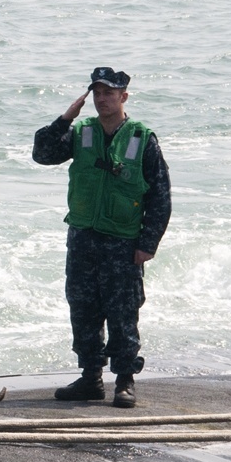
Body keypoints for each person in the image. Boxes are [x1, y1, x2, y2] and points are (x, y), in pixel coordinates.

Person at [31, 67, 171, 409]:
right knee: (83, 308)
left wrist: (147, 244)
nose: (102, 99)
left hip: (122, 241)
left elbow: (161, 195)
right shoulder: (81, 132)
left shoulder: (141, 138)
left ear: (123, 96)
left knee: (123, 312)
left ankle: (124, 380)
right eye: (97, 93)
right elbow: (42, 154)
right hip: (83, 237)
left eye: (109, 93)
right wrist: (65, 118)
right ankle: (91, 377)